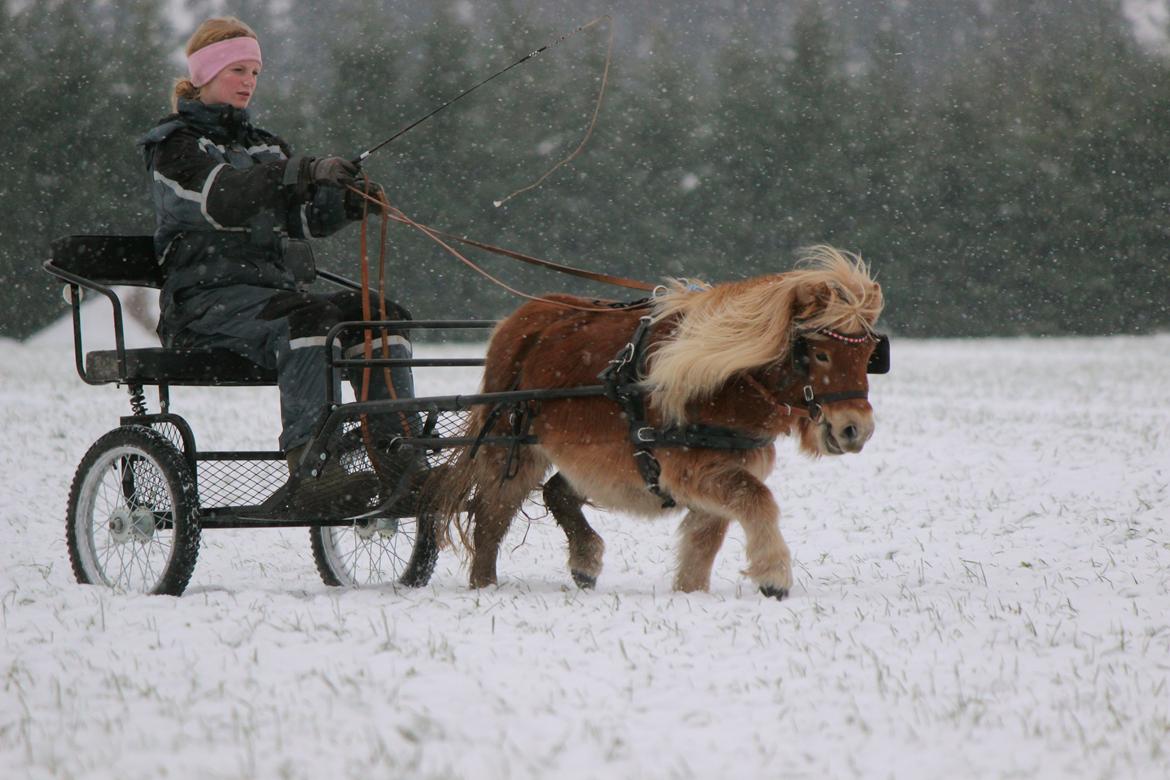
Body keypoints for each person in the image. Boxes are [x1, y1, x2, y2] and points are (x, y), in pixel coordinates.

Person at [139, 17, 417, 514]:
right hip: (204, 306)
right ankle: (311, 466)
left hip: (270, 299)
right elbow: (223, 197)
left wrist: (346, 201)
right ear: (204, 74)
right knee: (311, 319)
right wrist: (300, 170)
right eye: (237, 70)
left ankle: (399, 458)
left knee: (380, 314)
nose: (248, 81)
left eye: (256, 72)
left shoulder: (264, 145)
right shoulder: (174, 148)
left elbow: (304, 216)